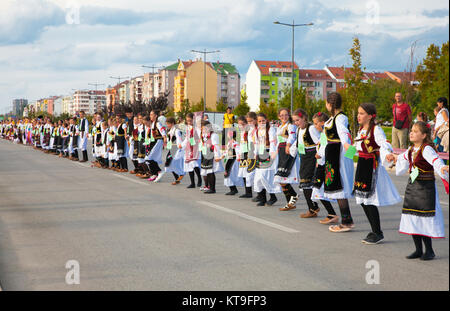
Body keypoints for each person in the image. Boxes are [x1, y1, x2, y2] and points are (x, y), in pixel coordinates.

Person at [388, 121, 448, 260]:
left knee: (424, 218)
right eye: (411, 131)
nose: (412, 133)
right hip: (413, 187)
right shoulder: (410, 150)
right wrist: (393, 158)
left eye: (415, 131)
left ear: (424, 135)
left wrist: (442, 168)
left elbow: (435, 160)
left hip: (425, 188)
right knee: (412, 217)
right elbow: (401, 161)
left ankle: (430, 250)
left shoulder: (426, 149)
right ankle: (418, 250)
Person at [353, 103, 402, 244]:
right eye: (358, 113)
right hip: (362, 166)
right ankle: (375, 230)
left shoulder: (376, 130)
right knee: (362, 201)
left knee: (369, 200)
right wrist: (346, 154)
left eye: (361, 113)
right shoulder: (361, 130)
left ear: (370, 116)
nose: (358, 116)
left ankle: (377, 232)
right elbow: (357, 148)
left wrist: (387, 154)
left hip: (371, 168)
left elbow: (384, 144)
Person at [322, 92, 355, 233]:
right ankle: (346, 219)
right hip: (331, 153)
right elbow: (325, 139)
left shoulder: (340, 118)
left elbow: (344, 135)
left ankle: (347, 221)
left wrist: (350, 152)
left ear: (330, 104)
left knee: (340, 185)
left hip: (338, 154)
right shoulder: (331, 119)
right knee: (337, 185)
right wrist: (320, 154)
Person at [292, 108, 322, 218]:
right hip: (303, 158)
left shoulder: (312, 128)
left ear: (304, 118)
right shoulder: (298, 130)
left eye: (298, 120)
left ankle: (312, 208)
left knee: (306, 184)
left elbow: (320, 142)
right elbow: (298, 143)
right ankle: (312, 207)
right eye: (294, 121)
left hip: (312, 157)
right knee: (305, 184)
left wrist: (319, 156)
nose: (296, 123)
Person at [310, 112, 339, 224]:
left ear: (322, 123)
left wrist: (320, 155)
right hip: (321, 165)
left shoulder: (326, 134)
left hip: (325, 166)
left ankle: (333, 214)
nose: (315, 126)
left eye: (316, 123)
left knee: (318, 189)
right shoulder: (323, 134)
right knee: (318, 189)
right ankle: (331, 213)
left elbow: (326, 147)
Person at [274, 108, 300, 211]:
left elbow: (292, 137)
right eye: (282, 115)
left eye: (286, 115)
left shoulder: (291, 126)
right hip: (281, 150)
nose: (284, 117)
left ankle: (293, 196)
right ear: (278, 116)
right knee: (281, 178)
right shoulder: (280, 126)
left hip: (287, 150)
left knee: (281, 176)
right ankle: (290, 201)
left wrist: (288, 146)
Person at [252, 112, 280, 206]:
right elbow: (256, 144)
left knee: (266, 176)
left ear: (266, 120)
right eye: (259, 121)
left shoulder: (270, 129)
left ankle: (273, 196)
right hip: (260, 154)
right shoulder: (257, 130)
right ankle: (262, 198)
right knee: (258, 177)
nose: (261, 122)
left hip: (268, 153)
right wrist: (254, 154)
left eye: (263, 120)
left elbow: (273, 143)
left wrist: (272, 155)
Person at [200, 120, 224, 194]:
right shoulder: (203, 135)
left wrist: (217, 156)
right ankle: (209, 187)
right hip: (205, 154)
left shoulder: (213, 135)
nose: (204, 130)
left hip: (212, 155)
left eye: (206, 128)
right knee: (207, 171)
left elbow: (215, 146)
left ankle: (213, 188)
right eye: (203, 128)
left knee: (210, 171)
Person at [182, 113, 202, 189]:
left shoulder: (197, 128)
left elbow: (201, 137)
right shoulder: (187, 128)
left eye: (190, 121)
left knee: (194, 163)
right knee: (189, 165)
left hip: (195, 148)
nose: (189, 122)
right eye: (187, 121)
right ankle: (192, 182)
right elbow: (187, 138)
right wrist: (182, 144)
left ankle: (199, 178)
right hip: (188, 148)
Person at [164, 117, 185, 185]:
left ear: (172, 123)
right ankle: (177, 178)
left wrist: (179, 146)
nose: (167, 125)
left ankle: (181, 174)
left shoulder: (176, 130)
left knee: (172, 162)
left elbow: (179, 138)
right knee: (169, 163)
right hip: (172, 147)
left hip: (176, 148)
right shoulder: (170, 130)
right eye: (167, 124)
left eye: (168, 124)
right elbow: (169, 139)